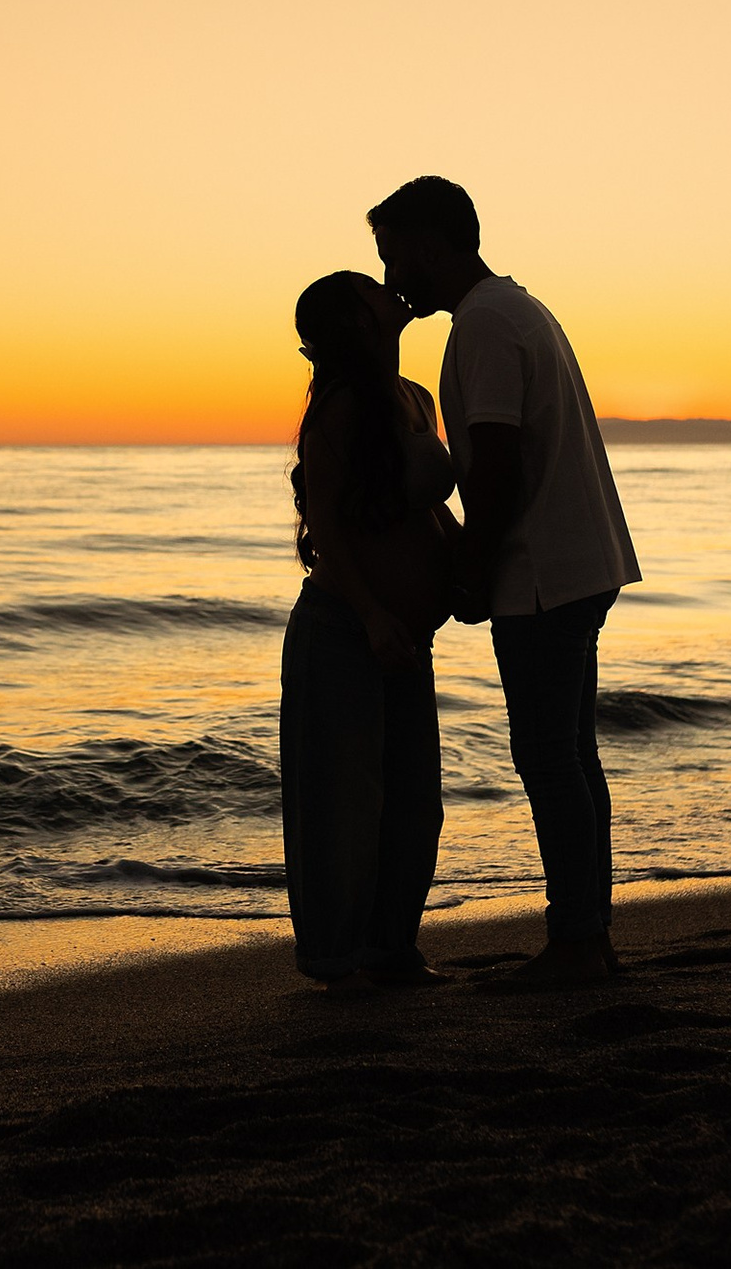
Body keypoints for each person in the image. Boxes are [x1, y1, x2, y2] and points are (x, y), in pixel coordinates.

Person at [369, 177, 641, 986]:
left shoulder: (484, 325)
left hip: (545, 574)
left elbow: (497, 466)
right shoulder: (517, 309)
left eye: (394, 259)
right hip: (579, 561)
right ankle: (587, 931)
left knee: (550, 759)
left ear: (426, 244)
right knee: (573, 757)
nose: (391, 282)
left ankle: (576, 942)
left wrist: (472, 569)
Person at [280, 270, 458, 986]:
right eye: (372, 290)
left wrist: (463, 575)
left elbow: (425, 514)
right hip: (346, 630)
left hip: (408, 636)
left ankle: (392, 944)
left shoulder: (414, 396)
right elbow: (325, 524)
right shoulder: (343, 406)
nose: (391, 290)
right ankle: (335, 954)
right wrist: (374, 613)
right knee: (342, 801)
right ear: (354, 320)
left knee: (415, 798)